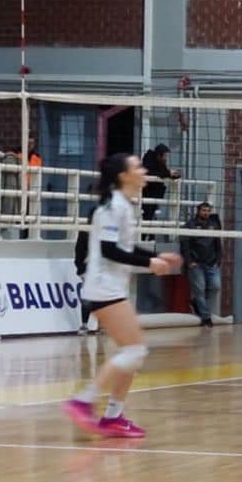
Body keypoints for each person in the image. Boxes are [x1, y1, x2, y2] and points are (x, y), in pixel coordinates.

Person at [61, 154, 183, 438]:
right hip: (103, 287)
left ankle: (113, 417)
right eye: (137, 166)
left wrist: (156, 256)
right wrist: (150, 263)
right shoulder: (111, 207)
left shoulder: (124, 205)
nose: (143, 170)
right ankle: (83, 401)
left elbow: (124, 248)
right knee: (135, 351)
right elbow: (109, 251)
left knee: (133, 354)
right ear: (123, 175)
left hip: (112, 287)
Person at [180, 201, 223, 326]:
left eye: (208, 211)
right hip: (196, 264)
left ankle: (196, 303)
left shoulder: (214, 225)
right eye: (204, 210)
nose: (206, 213)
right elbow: (185, 246)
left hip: (211, 263)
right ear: (198, 211)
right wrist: (189, 262)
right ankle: (206, 317)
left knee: (215, 287)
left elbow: (218, 244)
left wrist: (218, 259)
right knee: (200, 289)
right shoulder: (189, 225)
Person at [140, 143, 181, 224]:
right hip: (147, 193)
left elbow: (164, 173)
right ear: (159, 155)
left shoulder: (160, 162)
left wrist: (174, 175)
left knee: (150, 216)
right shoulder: (149, 161)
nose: (166, 158)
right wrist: (168, 173)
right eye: (165, 156)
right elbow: (152, 173)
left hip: (155, 194)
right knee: (146, 215)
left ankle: (148, 231)